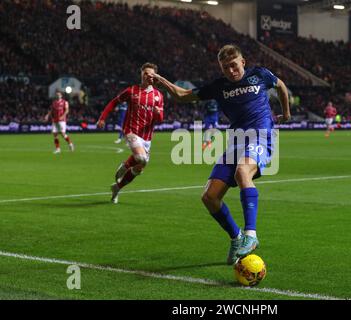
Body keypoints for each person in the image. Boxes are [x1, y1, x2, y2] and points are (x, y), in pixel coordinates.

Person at [153, 44, 290, 264]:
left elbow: (281, 86)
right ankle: (236, 237)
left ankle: (251, 235)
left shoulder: (260, 75)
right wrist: (161, 80)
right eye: (225, 67)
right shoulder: (219, 86)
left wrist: (286, 113)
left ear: (242, 62)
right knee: (209, 197)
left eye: (234, 65)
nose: (231, 71)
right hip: (236, 141)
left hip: (261, 135)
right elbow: (182, 95)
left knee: (242, 171)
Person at [96, 63, 164, 203]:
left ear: (154, 76)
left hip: (147, 137)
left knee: (139, 168)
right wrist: (102, 118)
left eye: (150, 74)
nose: (147, 76)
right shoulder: (132, 90)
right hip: (131, 131)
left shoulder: (158, 96)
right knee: (141, 158)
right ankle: (125, 165)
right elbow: (113, 102)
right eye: (145, 73)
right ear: (141, 74)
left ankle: (117, 188)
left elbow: (160, 120)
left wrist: (158, 114)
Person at [44, 90, 74, 154]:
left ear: (61, 95)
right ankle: (58, 149)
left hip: (62, 120)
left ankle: (70, 144)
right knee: (55, 134)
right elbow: (51, 110)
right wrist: (47, 115)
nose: (57, 96)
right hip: (55, 120)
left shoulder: (65, 102)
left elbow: (67, 110)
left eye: (59, 95)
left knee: (63, 134)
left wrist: (63, 116)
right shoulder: (54, 102)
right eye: (57, 95)